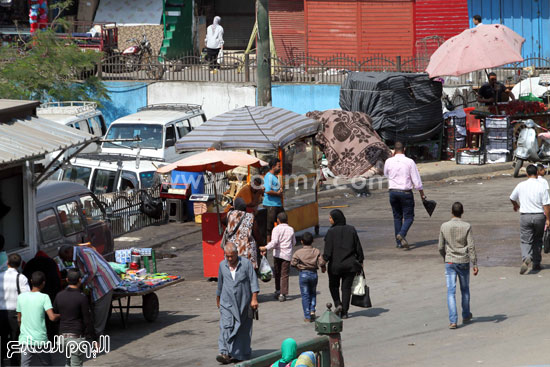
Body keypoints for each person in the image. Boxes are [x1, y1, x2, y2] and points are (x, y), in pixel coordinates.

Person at [59, 245, 121, 336]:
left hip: (103, 282)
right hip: (96, 283)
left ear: (69, 252)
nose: (66, 261)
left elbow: (92, 271)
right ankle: (94, 332)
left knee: (99, 310)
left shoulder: (83, 252)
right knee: (94, 308)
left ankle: (97, 334)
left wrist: (79, 284)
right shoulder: (78, 254)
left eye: (65, 258)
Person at [216, 243, 259, 364]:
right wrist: (218, 299)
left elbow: (253, 282)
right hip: (227, 302)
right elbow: (220, 283)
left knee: (242, 329)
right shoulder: (222, 265)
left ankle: (238, 353)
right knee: (226, 325)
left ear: (237, 254)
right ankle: (224, 352)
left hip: (243, 303)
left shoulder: (246, 264)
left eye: (232, 256)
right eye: (227, 256)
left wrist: (254, 299)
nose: (229, 259)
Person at [438, 202, 479, 330]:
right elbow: (471, 246)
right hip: (463, 261)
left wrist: (445, 256)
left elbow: (440, 246)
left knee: (451, 291)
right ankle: (466, 314)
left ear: (452, 212)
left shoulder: (444, 226)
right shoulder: (467, 226)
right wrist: (475, 263)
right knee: (465, 289)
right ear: (462, 212)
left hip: (450, 261)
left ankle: (453, 321)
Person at [383, 141, 426, 248]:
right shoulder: (409, 162)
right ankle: (401, 234)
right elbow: (417, 181)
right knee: (409, 217)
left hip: (393, 192)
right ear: (404, 149)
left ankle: (399, 243)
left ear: (394, 150)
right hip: (405, 192)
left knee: (397, 217)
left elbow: (385, 174)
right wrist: (422, 194)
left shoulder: (388, 161)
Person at [323, 209, 364, 319]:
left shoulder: (331, 232)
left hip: (335, 266)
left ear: (335, 219)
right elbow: (358, 247)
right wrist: (361, 261)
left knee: (333, 286)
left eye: (330, 217)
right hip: (350, 265)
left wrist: (323, 262)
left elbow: (327, 251)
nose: (329, 219)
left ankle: (338, 304)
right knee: (346, 289)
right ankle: (344, 312)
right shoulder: (351, 230)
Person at [510, 164, 550, 274]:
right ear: (537, 173)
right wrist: (548, 219)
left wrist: (515, 205)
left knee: (525, 240)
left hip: (525, 216)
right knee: (537, 240)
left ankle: (526, 257)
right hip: (539, 216)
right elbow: (546, 205)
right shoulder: (542, 186)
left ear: (527, 174)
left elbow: (512, 197)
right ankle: (536, 263)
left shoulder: (521, 185)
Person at [53, 269, 96, 367]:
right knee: (76, 364)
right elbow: (87, 321)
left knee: (68, 362)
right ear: (80, 280)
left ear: (67, 280)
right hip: (76, 338)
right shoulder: (82, 297)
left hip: (62, 338)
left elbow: (55, 315)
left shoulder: (59, 295)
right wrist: (94, 339)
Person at [17, 271, 60, 366]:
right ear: (43, 283)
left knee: (24, 365)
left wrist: (23, 330)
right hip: (40, 340)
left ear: (31, 281)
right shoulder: (44, 297)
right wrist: (60, 315)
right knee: (47, 364)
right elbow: (52, 317)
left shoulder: (21, 297)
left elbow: (19, 319)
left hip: (25, 340)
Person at [23, 250, 62, 341]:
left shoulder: (30, 264)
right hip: (51, 294)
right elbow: (57, 279)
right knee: (50, 319)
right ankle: (52, 338)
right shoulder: (51, 263)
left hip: (34, 296)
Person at [0, 253, 30, 366]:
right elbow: (26, 297)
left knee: (1, 339)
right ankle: (14, 363)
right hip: (15, 314)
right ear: (19, 264)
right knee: (15, 341)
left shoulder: (0, 276)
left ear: (7, 263)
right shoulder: (21, 278)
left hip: (1, 313)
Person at [291, 231, 326, 322]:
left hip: (303, 274)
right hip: (313, 273)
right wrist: (323, 267)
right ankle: (312, 310)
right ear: (312, 241)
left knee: (305, 295)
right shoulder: (316, 251)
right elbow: (322, 262)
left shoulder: (298, 252)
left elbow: (293, 262)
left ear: (302, 241)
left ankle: (307, 315)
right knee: (313, 293)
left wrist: (298, 267)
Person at [260, 212, 295, 302]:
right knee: (284, 274)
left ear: (278, 220)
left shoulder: (276, 229)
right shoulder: (291, 229)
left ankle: (278, 290)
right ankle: (283, 293)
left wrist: (265, 248)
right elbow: (293, 242)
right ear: (287, 220)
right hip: (287, 254)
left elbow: (274, 242)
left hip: (277, 254)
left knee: (277, 273)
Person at [226, 197, 258, 268]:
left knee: (234, 270)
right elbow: (256, 233)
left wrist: (231, 210)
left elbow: (223, 220)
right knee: (249, 272)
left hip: (232, 248)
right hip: (247, 249)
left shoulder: (230, 214)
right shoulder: (251, 216)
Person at [263, 158, 284, 242]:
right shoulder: (268, 176)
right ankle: (269, 242)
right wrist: (278, 194)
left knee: (282, 222)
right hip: (270, 205)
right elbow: (267, 190)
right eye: (279, 166)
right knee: (269, 225)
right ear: (273, 167)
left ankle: (280, 240)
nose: (280, 168)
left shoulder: (275, 177)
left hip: (278, 204)